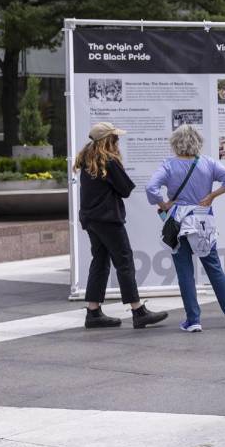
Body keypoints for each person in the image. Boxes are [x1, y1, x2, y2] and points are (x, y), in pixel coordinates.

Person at [146, 125, 225, 332]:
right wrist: (212, 196)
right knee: (214, 267)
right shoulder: (208, 163)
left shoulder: (168, 165)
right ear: (198, 142)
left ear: (175, 143)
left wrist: (163, 204)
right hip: (202, 219)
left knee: (184, 272)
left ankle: (193, 320)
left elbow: (150, 188)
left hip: (178, 221)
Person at [74, 122, 168, 329]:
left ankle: (93, 312)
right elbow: (125, 189)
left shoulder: (88, 159)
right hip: (108, 219)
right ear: (108, 140)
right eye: (115, 137)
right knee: (124, 261)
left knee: (100, 262)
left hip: (91, 219)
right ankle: (137, 311)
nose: (118, 141)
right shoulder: (108, 161)